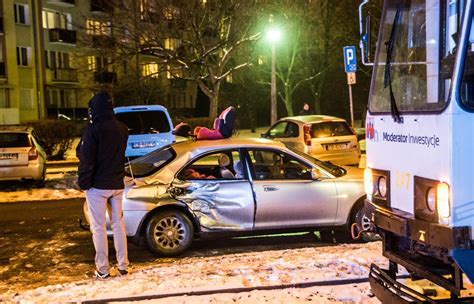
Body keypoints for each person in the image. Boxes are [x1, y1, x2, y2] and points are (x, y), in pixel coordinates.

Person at [77, 91, 129, 279]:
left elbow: (86, 160)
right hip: (117, 183)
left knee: (98, 228)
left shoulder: (93, 130)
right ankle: (123, 266)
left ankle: (103, 269)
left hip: (98, 186)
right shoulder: (122, 128)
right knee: (118, 224)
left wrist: (84, 183)